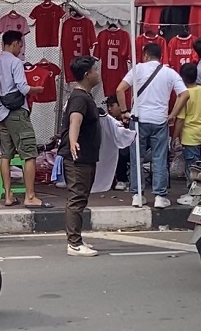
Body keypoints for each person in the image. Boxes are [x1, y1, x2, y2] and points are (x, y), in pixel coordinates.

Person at [116, 43, 189, 209]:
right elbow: (184, 94)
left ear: (145, 55)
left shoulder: (138, 69)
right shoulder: (170, 73)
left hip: (138, 119)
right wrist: (173, 114)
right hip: (160, 120)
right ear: (160, 56)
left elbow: (120, 90)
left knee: (137, 158)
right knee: (159, 159)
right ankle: (159, 196)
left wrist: (124, 111)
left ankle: (137, 195)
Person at [0, 31, 47, 208]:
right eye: (21, 44)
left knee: (5, 155)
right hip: (17, 112)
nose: (21, 48)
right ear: (15, 43)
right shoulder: (15, 62)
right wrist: (37, 89)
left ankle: (8, 195)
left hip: (0, 111)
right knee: (29, 153)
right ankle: (30, 196)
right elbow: (23, 88)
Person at [58, 56, 101, 257]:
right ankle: (74, 243)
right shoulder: (79, 98)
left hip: (86, 156)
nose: (98, 73)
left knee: (80, 198)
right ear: (87, 74)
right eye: (95, 70)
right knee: (76, 198)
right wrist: (74, 141)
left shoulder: (84, 96)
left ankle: (77, 239)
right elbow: (75, 120)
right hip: (78, 158)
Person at [172, 63, 201, 206]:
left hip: (189, 135)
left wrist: (174, 138)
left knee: (192, 166)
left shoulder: (183, 95)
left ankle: (193, 194)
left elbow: (180, 120)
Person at [106, 95, 130, 191]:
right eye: (108, 106)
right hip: (115, 145)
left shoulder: (130, 118)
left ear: (120, 106)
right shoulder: (109, 120)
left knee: (120, 152)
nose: (109, 109)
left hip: (132, 147)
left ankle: (122, 180)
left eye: (112, 106)